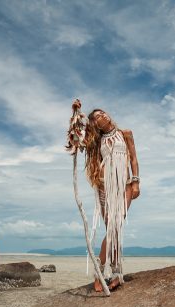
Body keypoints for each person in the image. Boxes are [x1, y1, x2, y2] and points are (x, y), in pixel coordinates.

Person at [71, 99, 140, 291]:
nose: (102, 117)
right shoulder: (96, 141)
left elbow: (134, 158)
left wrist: (136, 181)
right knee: (112, 230)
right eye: (97, 118)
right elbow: (76, 140)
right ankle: (113, 274)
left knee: (115, 228)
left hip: (123, 186)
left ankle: (102, 273)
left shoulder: (125, 134)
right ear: (95, 124)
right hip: (103, 188)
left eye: (102, 114)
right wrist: (76, 113)